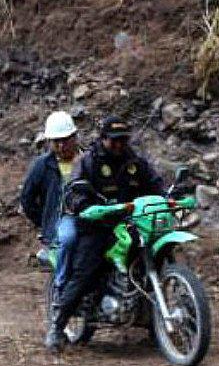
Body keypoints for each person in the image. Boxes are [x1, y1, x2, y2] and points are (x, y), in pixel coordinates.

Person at [46, 116, 166, 352]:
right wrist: (84, 205)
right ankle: (57, 327)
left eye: (122, 140)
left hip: (130, 223)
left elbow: (155, 184)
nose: (119, 145)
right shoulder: (87, 162)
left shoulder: (135, 162)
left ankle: (155, 322)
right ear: (103, 140)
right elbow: (73, 190)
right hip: (96, 226)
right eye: (114, 141)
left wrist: (168, 195)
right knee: (84, 273)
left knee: (154, 252)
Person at [18, 111, 81, 292]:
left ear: (74, 137)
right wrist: (45, 221)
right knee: (68, 239)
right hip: (61, 221)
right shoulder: (42, 165)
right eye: (56, 142)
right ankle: (61, 289)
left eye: (65, 140)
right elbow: (27, 199)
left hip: (90, 216)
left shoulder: (89, 159)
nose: (61, 146)